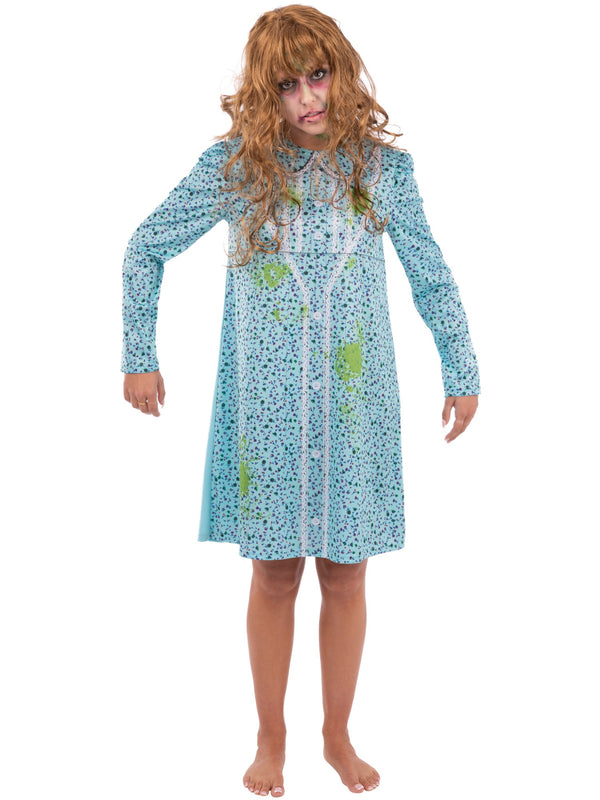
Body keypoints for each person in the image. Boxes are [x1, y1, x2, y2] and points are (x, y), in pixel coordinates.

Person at [121, 5, 480, 796]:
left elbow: (430, 274)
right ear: (265, 91)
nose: (308, 98)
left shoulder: (383, 172)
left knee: (347, 576)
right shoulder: (239, 168)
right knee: (276, 575)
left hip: (355, 409)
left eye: (318, 76)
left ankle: (337, 734)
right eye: (287, 85)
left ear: (341, 72)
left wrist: (460, 365)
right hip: (270, 413)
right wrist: (139, 355)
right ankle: (270, 737)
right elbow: (145, 246)